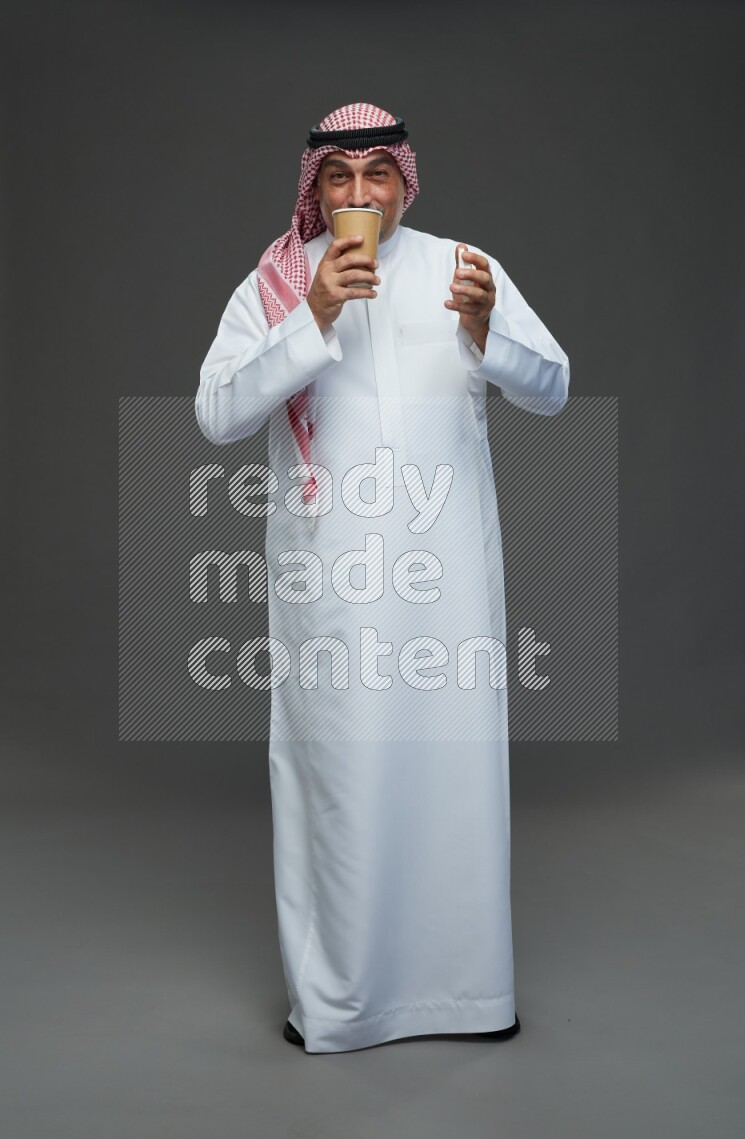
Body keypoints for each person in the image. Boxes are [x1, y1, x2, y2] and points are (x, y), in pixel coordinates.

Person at [195, 102, 569, 1054]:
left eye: (377, 174)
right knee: (344, 781)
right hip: (336, 583)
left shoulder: (461, 269)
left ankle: (471, 995)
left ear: (405, 179)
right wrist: (314, 314)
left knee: (456, 775)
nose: (360, 194)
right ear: (316, 188)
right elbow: (218, 415)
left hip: (447, 582)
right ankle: (343, 1004)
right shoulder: (277, 283)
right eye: (339, 176)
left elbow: (554, 386)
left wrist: (489, 333)